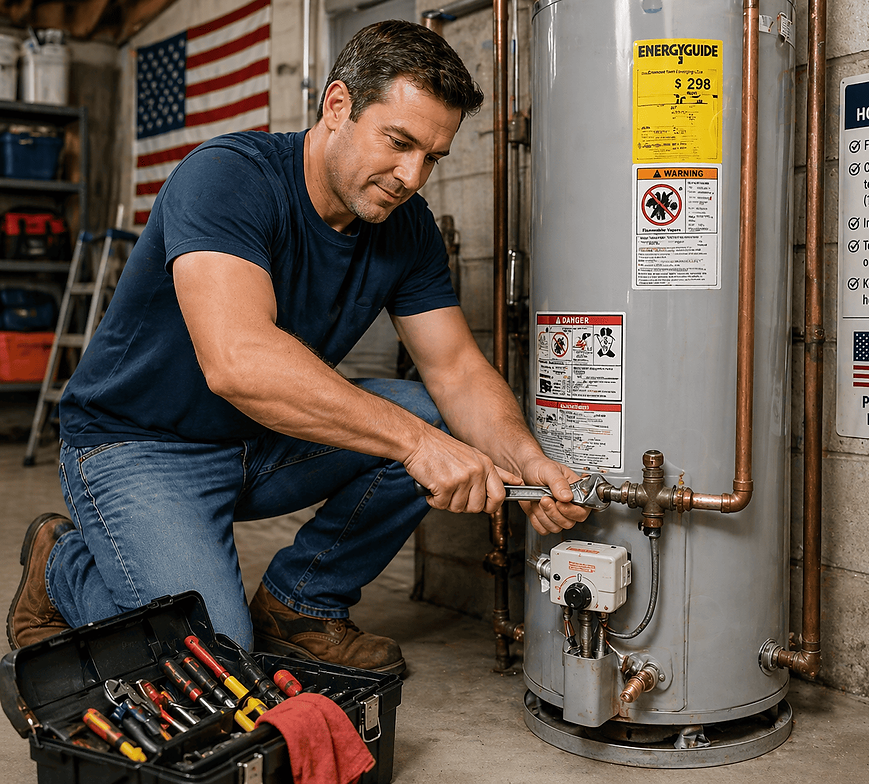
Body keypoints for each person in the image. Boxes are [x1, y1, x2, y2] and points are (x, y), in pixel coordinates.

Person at [6, 20, 586, 675]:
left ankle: (299, 607)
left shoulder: (407, 228)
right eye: (398, 143)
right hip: (139, 444)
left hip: (260, 440)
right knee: (214, 661)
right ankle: (62, 564)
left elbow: (455, 369)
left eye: (432, 157)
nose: (410, 176)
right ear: (336, 105)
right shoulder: (228, 178)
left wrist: (525, 459)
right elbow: (238, 361)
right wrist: (419, 446)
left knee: (430, 412)